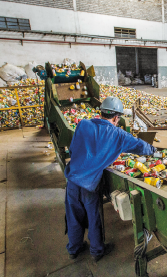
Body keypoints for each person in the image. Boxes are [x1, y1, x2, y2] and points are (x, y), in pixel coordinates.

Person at [64, 96, 156, 262]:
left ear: (101, 113)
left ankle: (74, 249)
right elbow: (141, 146)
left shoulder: (83, 124)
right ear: (116, 117)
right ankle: (97, 251)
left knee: (73, 216)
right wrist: (154, 150)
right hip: (90, 184)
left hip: (72, 180)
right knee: (93, 217)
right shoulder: (118, 134)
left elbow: (73, 150)